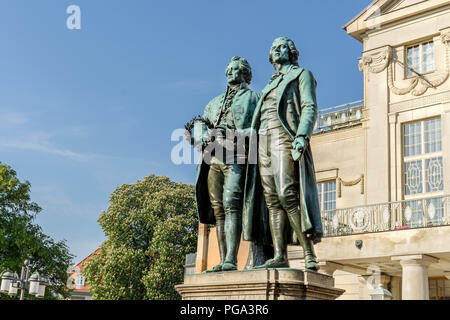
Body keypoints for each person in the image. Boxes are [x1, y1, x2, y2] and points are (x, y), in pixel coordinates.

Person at [243, 37, 323, 271]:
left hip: (283, 134)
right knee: (271, 200)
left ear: (292, 52)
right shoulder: (267, 85)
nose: (277, 50)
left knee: (287, 193)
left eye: (282, 46)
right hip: (263, 139)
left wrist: (302, 135)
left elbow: (309, 106)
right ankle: (279, 255)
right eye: (273, 48)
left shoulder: (302, 74)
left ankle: (309, 253)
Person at [194, 56, 261, 272]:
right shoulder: (213, 103)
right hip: (213, 156)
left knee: (232, 203)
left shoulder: (254, 98)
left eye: (236, 69)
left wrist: (233, 135)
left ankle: (231, 259)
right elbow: (199, 124)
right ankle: (223, 261)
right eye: (229, 70)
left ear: (245, 73)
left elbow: (259, 128)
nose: (231, 73)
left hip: (238, 154)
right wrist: (203, 133)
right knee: (218, 210)